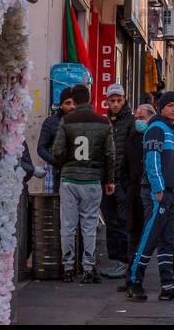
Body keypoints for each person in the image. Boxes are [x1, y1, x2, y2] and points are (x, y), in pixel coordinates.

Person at [127, 91, 174, 302]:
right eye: (171, 105)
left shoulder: (170, 129)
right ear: (161, 107)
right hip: (158, 194)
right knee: (149, 238)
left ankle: (168, 286)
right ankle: (134, 281)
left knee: (167, 241)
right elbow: (152, 161)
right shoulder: (156, 129)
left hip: (169, 194)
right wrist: (159, 190)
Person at [50, 85, 115, 284]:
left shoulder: (65, 121)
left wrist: (65, 166)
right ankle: (88, 267)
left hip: (69, 179)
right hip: (93, 180)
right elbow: (110, 155)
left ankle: (68, 267)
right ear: (90, 99)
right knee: (89, 224)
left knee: (68, 225)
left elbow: (57, 151)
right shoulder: (104, 123)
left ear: (74, 101)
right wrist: (110, 179)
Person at [117, 103, 157, 292]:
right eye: (137, 118)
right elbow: (124, 166)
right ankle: (131, 277)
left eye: (141, 118)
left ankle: (173, 279)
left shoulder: (156, 137)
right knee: (133, 234)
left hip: (151, 194)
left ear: (151, 117)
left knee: (157, 237)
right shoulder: (132, 138)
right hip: (134, 194)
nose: (138, 121)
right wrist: (127, 189)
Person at [102, 84, 134, 279]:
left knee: (122, 221)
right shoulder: (105, 121)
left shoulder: (130, 121)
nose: (115, 104)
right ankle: (116, 260)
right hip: (107, 180)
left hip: (122, 180)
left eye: (118, 100)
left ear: (124, 100)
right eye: (112, 101)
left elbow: (128, 153)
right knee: (110, 221)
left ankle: (125, 261)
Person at [38, 92, 77, 192]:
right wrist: (57, 161)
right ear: (61, 105)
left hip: (78, 173)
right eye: (67, 103)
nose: (72, 106)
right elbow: (41, 149)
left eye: (75, 103)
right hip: (57, 172)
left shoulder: (83, 121)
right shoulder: (51, 122)